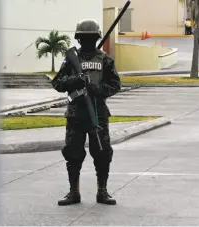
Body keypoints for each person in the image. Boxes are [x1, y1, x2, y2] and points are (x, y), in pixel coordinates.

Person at [51, 19, 121, 205]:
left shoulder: (105, 59)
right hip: (76, 113)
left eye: (91, 38)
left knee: (102, 152)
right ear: (79, 39)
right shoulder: (71, 59)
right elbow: (57, 83)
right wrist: (74, 81)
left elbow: (115, 85)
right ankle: (74, 192)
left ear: (97, 38)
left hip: (98, 112)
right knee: (73, 153)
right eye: (84, 38)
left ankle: (102, 191)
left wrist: (96, 89)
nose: (88, 41)